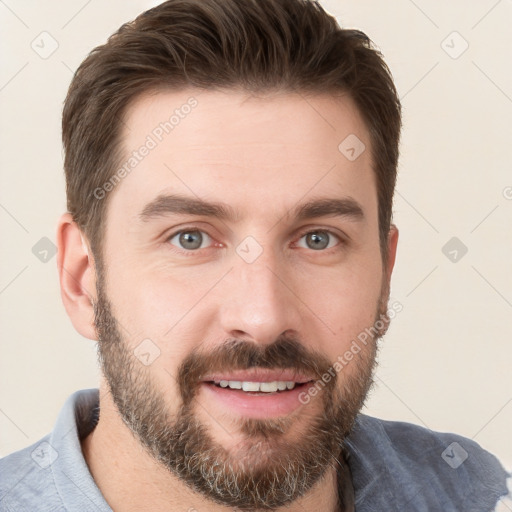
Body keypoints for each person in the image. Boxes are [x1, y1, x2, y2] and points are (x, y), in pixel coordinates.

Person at [0, 0, 510, 510]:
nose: (263, 317)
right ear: (82, 278)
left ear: (385, 275)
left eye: (318, 239)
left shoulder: (476, 493)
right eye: (190, 238)